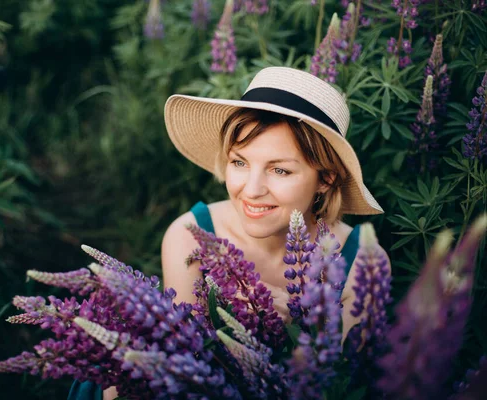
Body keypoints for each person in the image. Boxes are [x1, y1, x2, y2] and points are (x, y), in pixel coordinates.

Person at [69, 66, 390, 400]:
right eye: (240, 162)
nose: (251, 190)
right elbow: (182, 362)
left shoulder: (360, 262)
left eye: (279, 170)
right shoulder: (189, 235)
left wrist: (306, 331)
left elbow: (340, 384)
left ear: (325, 179)